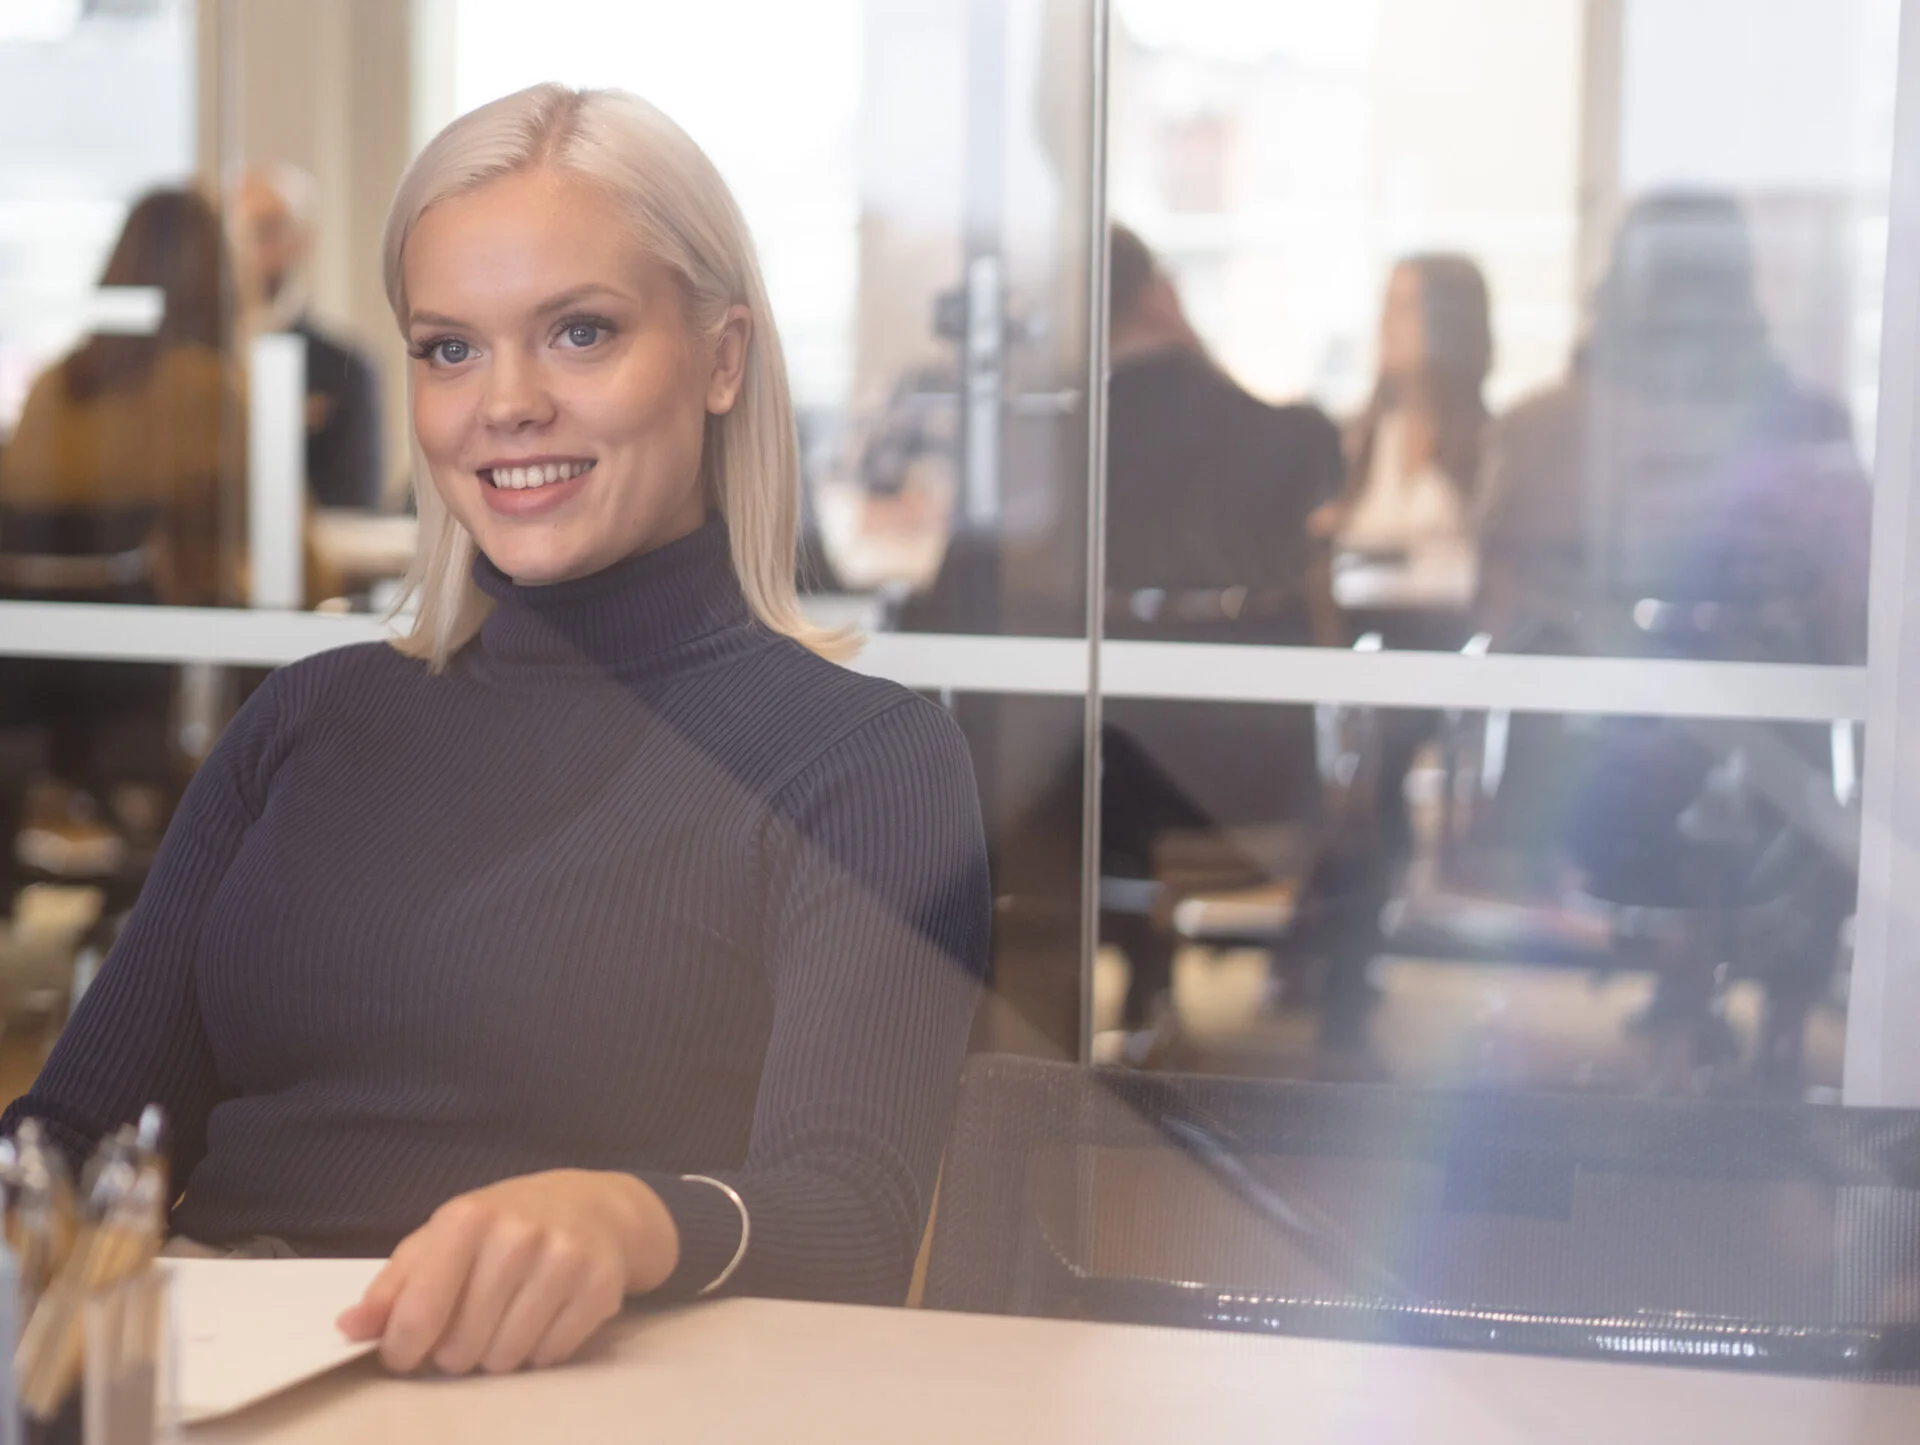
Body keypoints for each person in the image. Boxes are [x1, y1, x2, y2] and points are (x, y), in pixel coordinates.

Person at [1, 84, 991, 1377]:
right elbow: (72, 1137)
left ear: (723, 358)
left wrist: (632, 1216)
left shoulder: (866, 759)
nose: (505, 403)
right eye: (449, 348)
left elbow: (856, 1217)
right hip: (218, 1375)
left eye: (580, 332)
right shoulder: (310, 715)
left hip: (575, 1394)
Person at [1475, 192, 1868, 1072]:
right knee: (1806, 766)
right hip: (1766, 772)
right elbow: (1850, 615)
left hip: (1586, 766)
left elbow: (1496, 609)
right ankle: (1761, 1025)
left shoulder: (1545, 425)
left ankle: (1688, 978)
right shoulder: (1808, 423)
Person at [1099, 224, 1345, 1033]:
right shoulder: (1291, 438)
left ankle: (1137, 983)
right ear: (1161, 295)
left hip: (1087, 795)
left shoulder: (1043, 448)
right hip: (1250, 787)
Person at [234, 164, 387, 510]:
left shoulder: (344, 368)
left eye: (265, 229)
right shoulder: (198, 358)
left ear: (303, 240)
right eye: (238, 232)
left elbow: (355, 504)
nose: (247, 249)